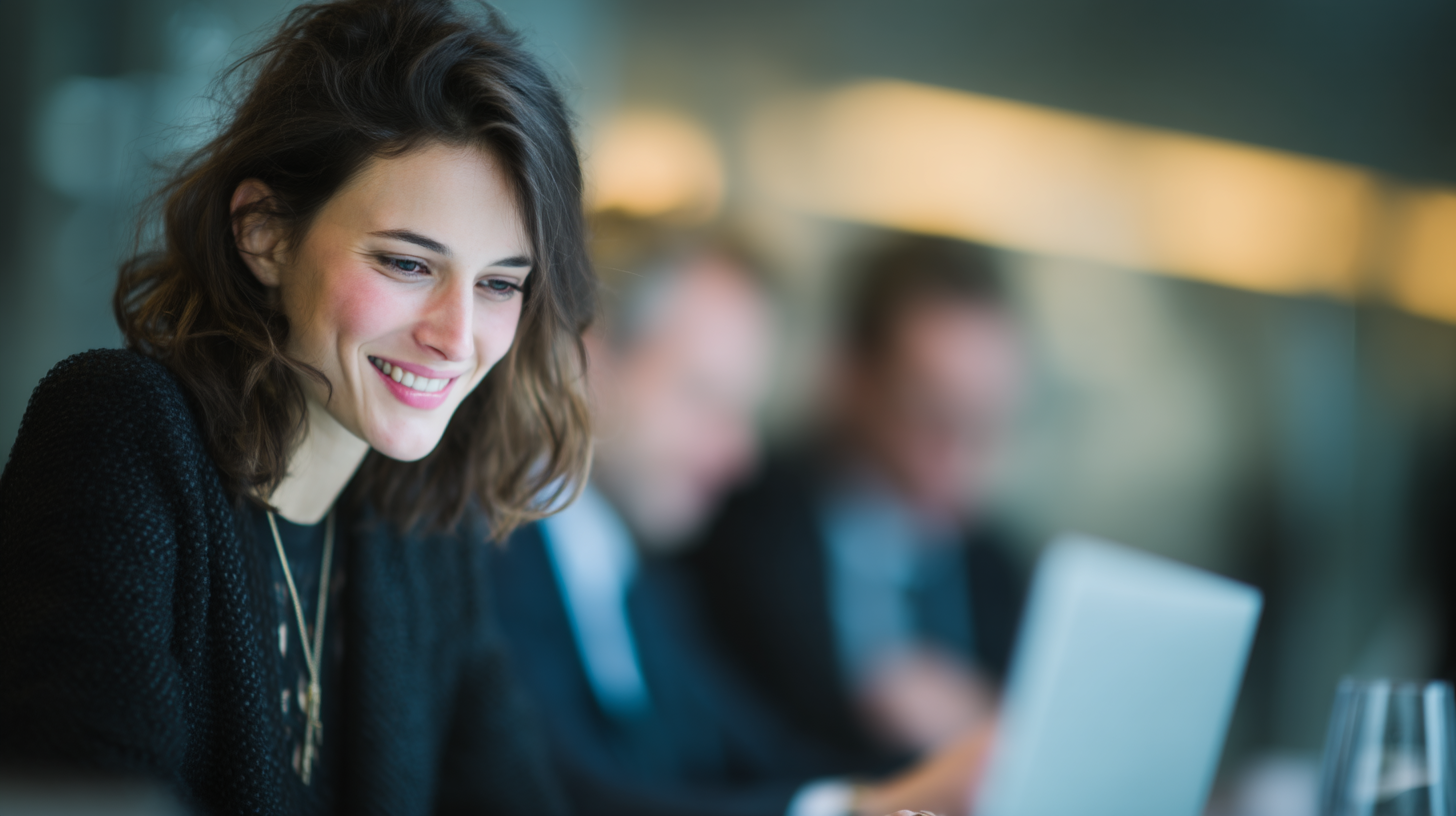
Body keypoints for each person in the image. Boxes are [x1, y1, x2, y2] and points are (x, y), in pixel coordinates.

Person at [0, 2, 595, 814]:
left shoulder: (421, 529)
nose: (457, 338)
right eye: (407, 264)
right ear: (265, 233)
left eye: (498, 283)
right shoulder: (119, 433)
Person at [490, 218, 993, 816]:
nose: (741, 455)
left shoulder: (634, 578)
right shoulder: (479, 549)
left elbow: (763, 759)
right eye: (705, 397)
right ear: (584, 355)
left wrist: (950, 773)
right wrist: (860, 809)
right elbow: (564, 797)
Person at [688, 234, 1028, 769]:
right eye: (932, 414)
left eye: (984, 425)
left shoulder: (999, 573)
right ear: (850, 375)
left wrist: (987, 723)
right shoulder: (731, 525)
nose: (958, 461)